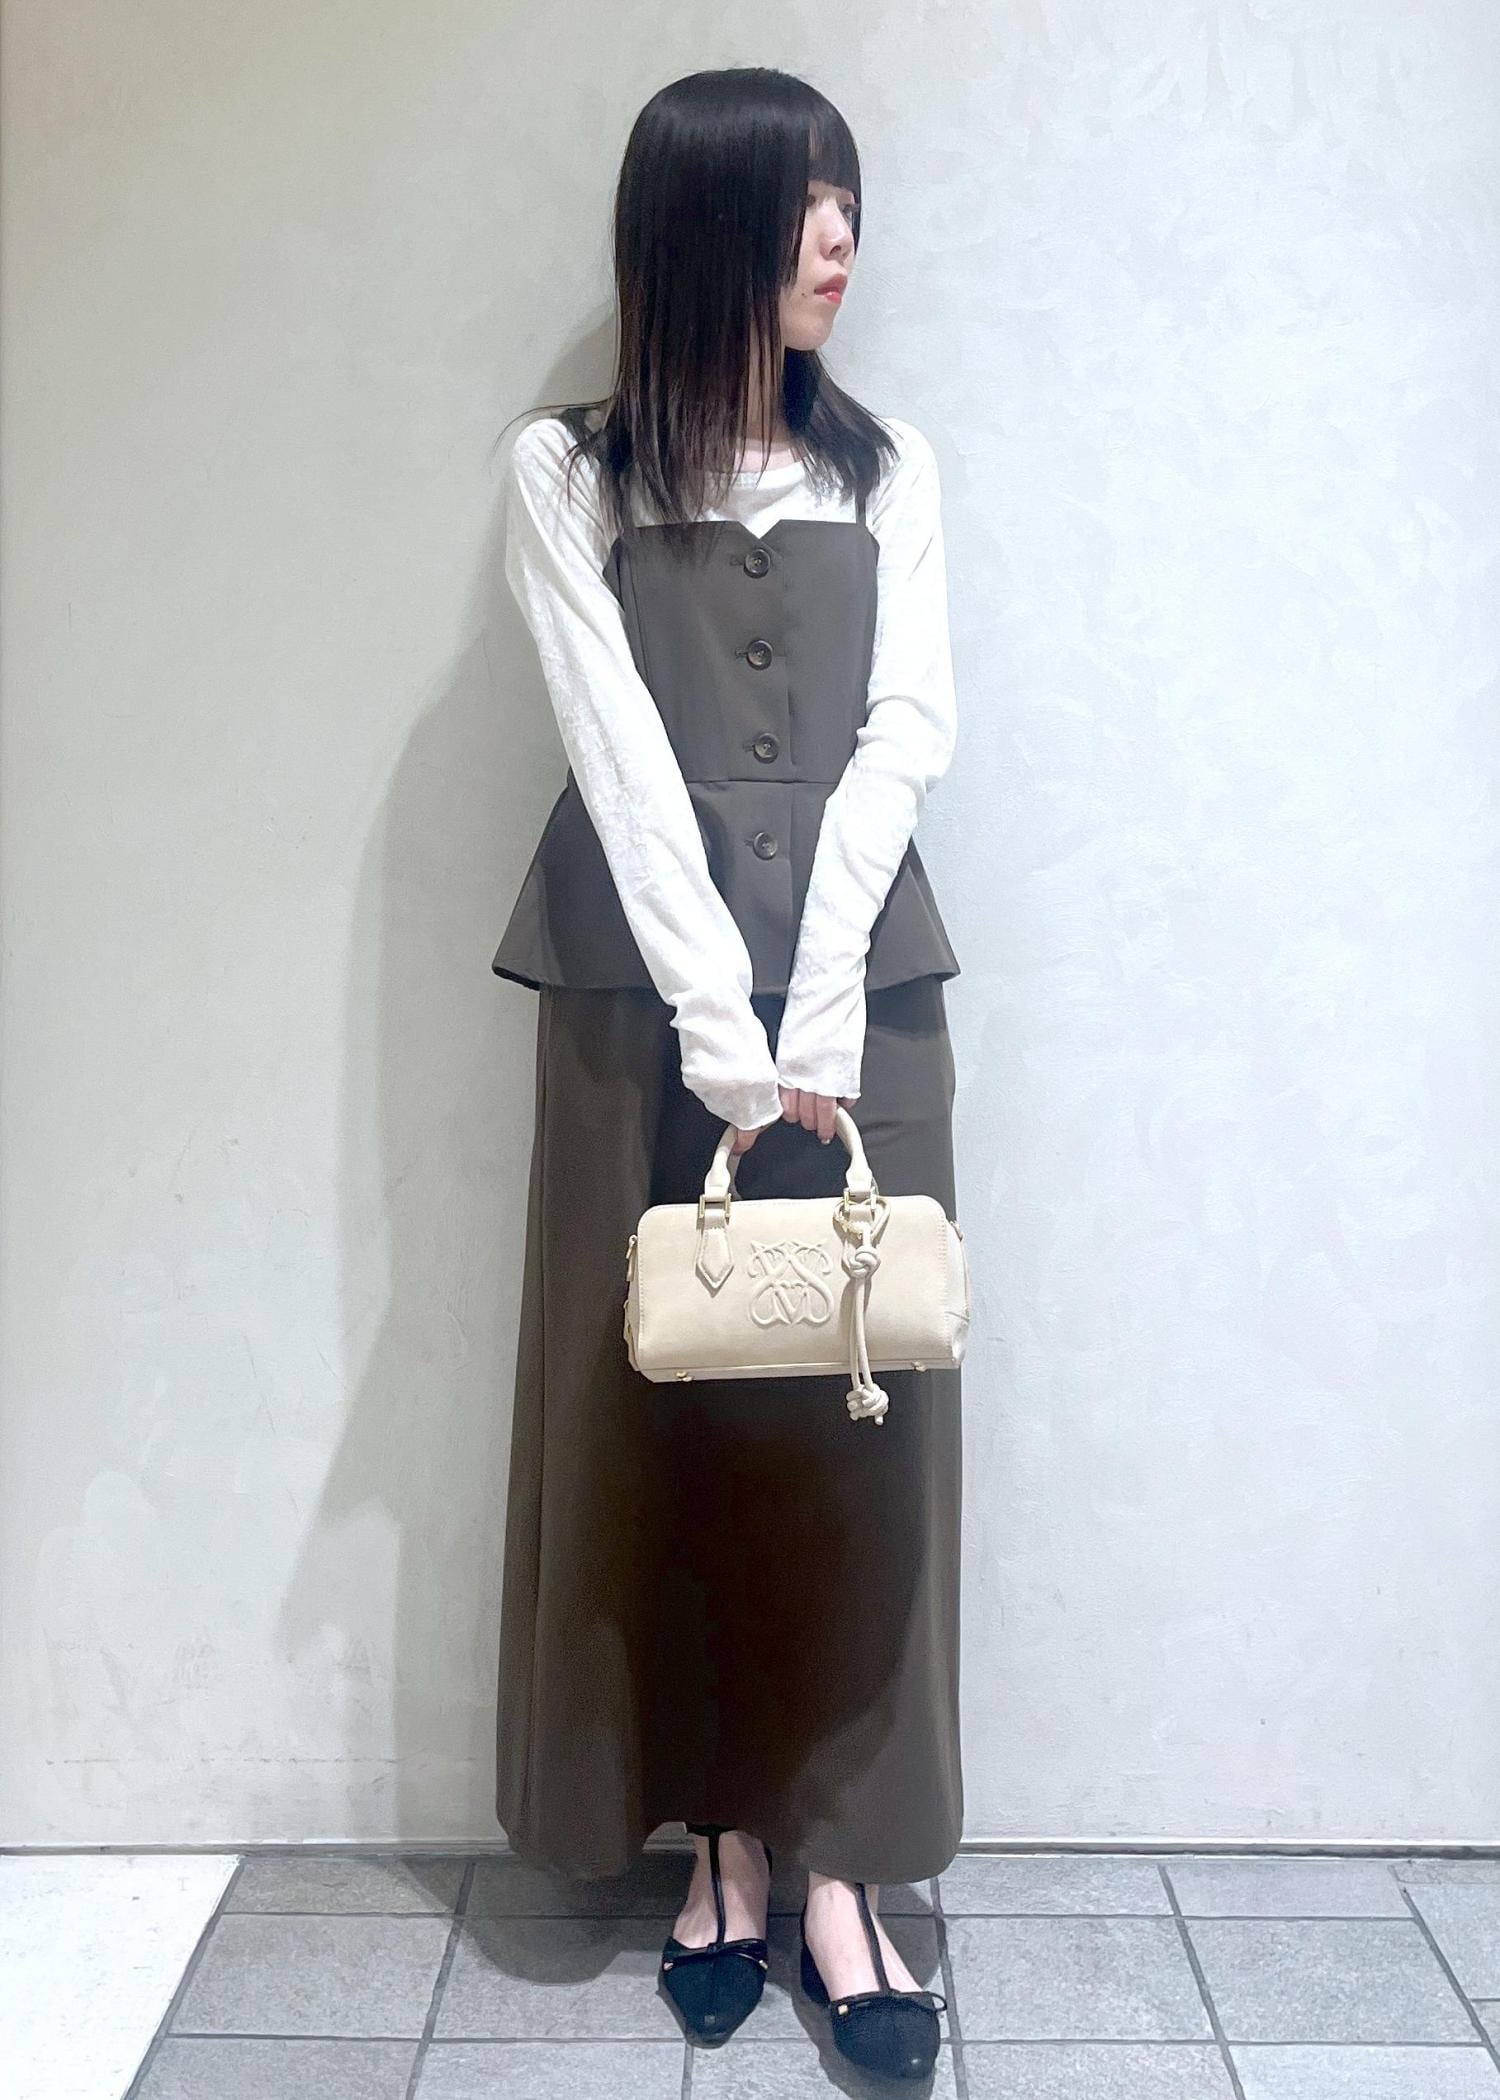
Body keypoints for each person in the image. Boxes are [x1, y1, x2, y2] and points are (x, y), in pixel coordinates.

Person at [488, 65, 963, 2082]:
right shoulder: (567, 474)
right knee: (660, 1408)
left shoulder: (889, 467)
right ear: (702, 231)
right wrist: (716, 1016)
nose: (841, 239)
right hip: (639, 1002)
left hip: (866, 999)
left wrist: (820, 1007)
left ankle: (838, 1861)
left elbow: (911, 725)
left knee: (857, 1415)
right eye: (801, 206)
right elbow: (611, 752)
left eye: (849, 201)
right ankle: (719, 1846)